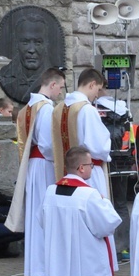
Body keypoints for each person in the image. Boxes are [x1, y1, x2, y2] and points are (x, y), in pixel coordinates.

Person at [7, 147, 122, 276]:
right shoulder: (89, 195)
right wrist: (104, 200)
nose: (92, 167)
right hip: (87, 268)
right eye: (90, 164)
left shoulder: (51, 191)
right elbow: (108, 224)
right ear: (81, 168)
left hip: (59, 265)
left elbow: (42, 221)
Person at [6, 67, 65, 276]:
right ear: (51, 85)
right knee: (43, 215)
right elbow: (49, 144)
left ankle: (37, 269)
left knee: (35, 215)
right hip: (44, 165)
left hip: (33, 165)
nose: (60, 92)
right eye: (59, 87)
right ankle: (42, 270)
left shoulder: (27, 107)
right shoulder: (46, 108)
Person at [52, 68, 112, 199]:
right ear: (92, 84)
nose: (97, 95)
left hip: (65, 172)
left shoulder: (58, 109)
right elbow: (99, 147)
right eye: (98, 89)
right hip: (88, 174)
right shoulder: (87, 109)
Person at [95, 91, 133, 264]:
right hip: (122, 163)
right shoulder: (124, 115)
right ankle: (121, 246)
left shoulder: (98, 113)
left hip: (108, 163)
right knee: (120, 204)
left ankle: (115, 246)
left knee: (110, 203)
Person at [0, 12, 54, 103]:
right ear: (16, 44)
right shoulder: (6, 78)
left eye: (38, 42)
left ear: (46, 44)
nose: (31, 50)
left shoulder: (54, 77)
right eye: (25, 42)